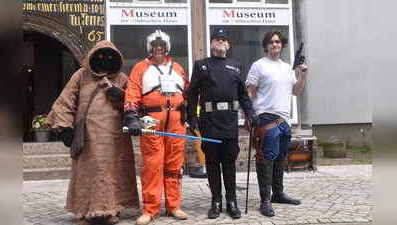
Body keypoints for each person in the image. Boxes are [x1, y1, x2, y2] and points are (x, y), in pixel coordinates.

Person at [43, 40, 139, 225]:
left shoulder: (122, 78)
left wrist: (121, 96)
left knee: (112, 172)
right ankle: (84, 212)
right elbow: (66, 100)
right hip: (88, 135)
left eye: (109, 57)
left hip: (114, 137)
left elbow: (132, 103)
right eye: (101, 56)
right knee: (87, 173)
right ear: (93, 57)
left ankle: (111, 209)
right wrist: (66, 127)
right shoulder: (81, 75)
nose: (104, 60)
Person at [187, 29, 256, 219]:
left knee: (229, 161)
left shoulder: (236, 66)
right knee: (212, 161)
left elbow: (242, 94)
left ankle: (231, 201)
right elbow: (192, 94)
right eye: (217, 39)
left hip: (229, 122)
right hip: (209, 122)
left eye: (224, 40)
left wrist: (250, 112)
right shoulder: (201, 65)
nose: (220, 42)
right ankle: (216, 201)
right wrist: (192, 118)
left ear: (228, 45)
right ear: (211, 44)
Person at [123, 30, 190, 225]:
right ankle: (150, 209)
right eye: (154, 46)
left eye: (161, 45)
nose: (158, 49)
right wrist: (133, 118)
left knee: (175, 166)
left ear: (167, 47)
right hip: (151, 121)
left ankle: (173, 206)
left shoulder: (177, 68)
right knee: (152, 166)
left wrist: (194, 115)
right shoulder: (140, 68)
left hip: (176, 121)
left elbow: (188, 92)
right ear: (149, 48)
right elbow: (132, 93)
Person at [245, 29, 309, 217]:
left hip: (284, 120)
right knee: (265, 157)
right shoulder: (259, 65)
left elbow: (295, 92)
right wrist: (248, 115)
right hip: (266, 119)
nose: (275, 45)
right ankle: (265, 199)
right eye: (271, 42)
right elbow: (249, 92)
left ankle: (278, 194)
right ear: (266, 45)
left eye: (278, 42)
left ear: (282, 45)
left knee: (280, 157)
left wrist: (302, 75)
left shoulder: (288, 68)